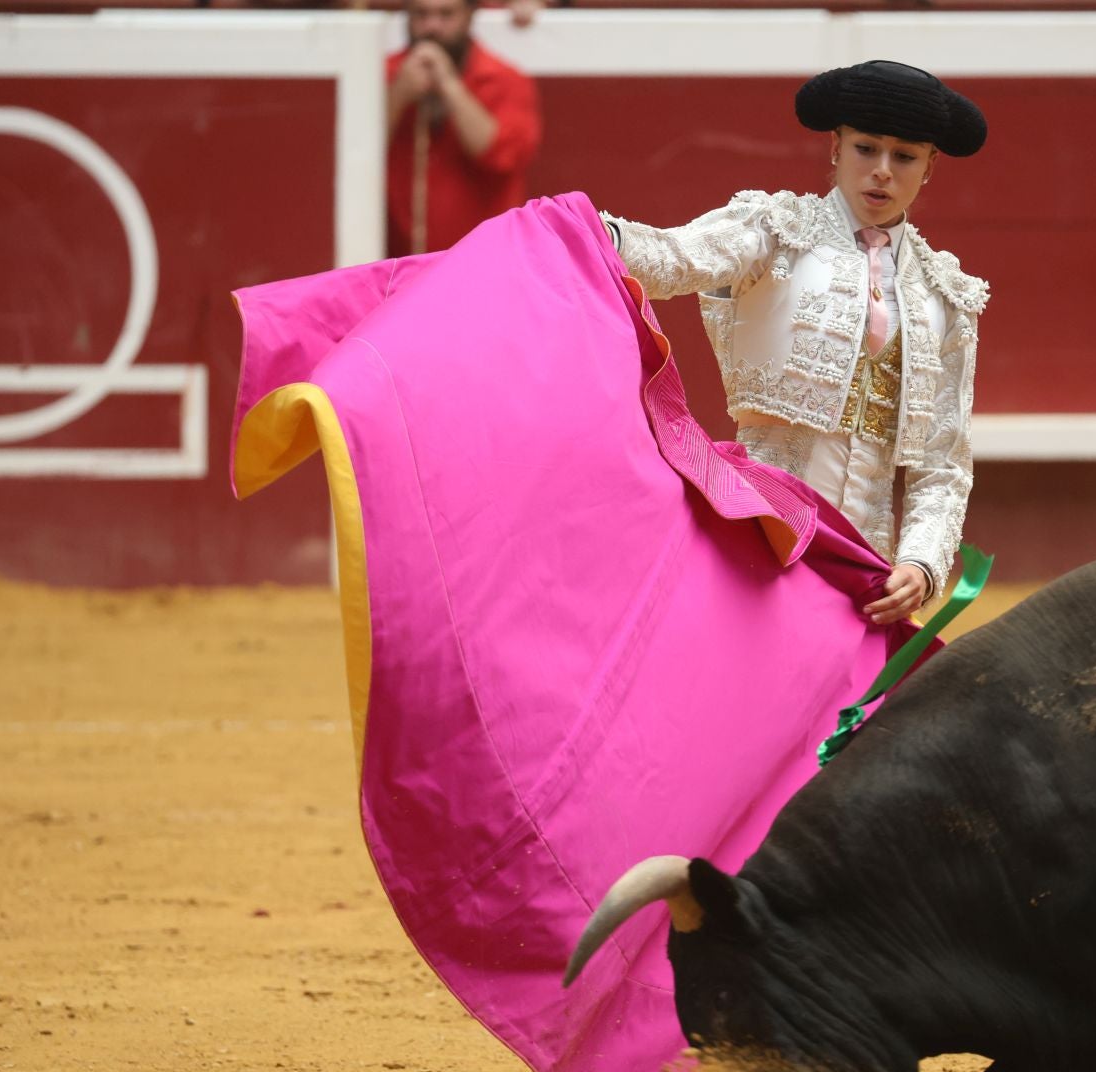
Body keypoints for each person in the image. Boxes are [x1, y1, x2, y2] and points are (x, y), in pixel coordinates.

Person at [601, 61, 989, 627]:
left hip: (866, 568)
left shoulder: (945, 294)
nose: (882, 171)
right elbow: (668, 259)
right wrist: (588, 232)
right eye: (866, 148)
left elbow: (942, 465)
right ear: (835, 147)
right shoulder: (775, 230)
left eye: (904, 156)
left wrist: (922, 564)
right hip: (756, 528)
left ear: (930, 167)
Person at [385, 0, 542, 256]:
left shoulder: (506, 80)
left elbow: (502, 157)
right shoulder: (384, 74)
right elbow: (354, 154)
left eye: (446, 14)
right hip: (397, 262)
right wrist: (398, 95)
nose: (432, 27)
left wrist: (449, 86)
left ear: (470, 16)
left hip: (485, 258)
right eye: (420, 14)